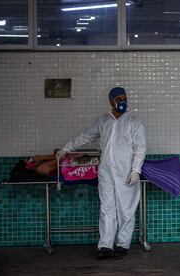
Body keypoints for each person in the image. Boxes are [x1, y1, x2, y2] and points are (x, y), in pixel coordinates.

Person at [57, 87, 147, 259]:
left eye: (124, 97)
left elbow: (140, 149)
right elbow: (86, 136)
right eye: (119, 98)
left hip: (126, 173)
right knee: (107, 208)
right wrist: (66, 149)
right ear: (111, 101)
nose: (122, 101)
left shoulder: (134, 123)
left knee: (126, 210)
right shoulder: (103, 121)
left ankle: (122, 245)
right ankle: (105, 246)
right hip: (106, 172)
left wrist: (136, 170)